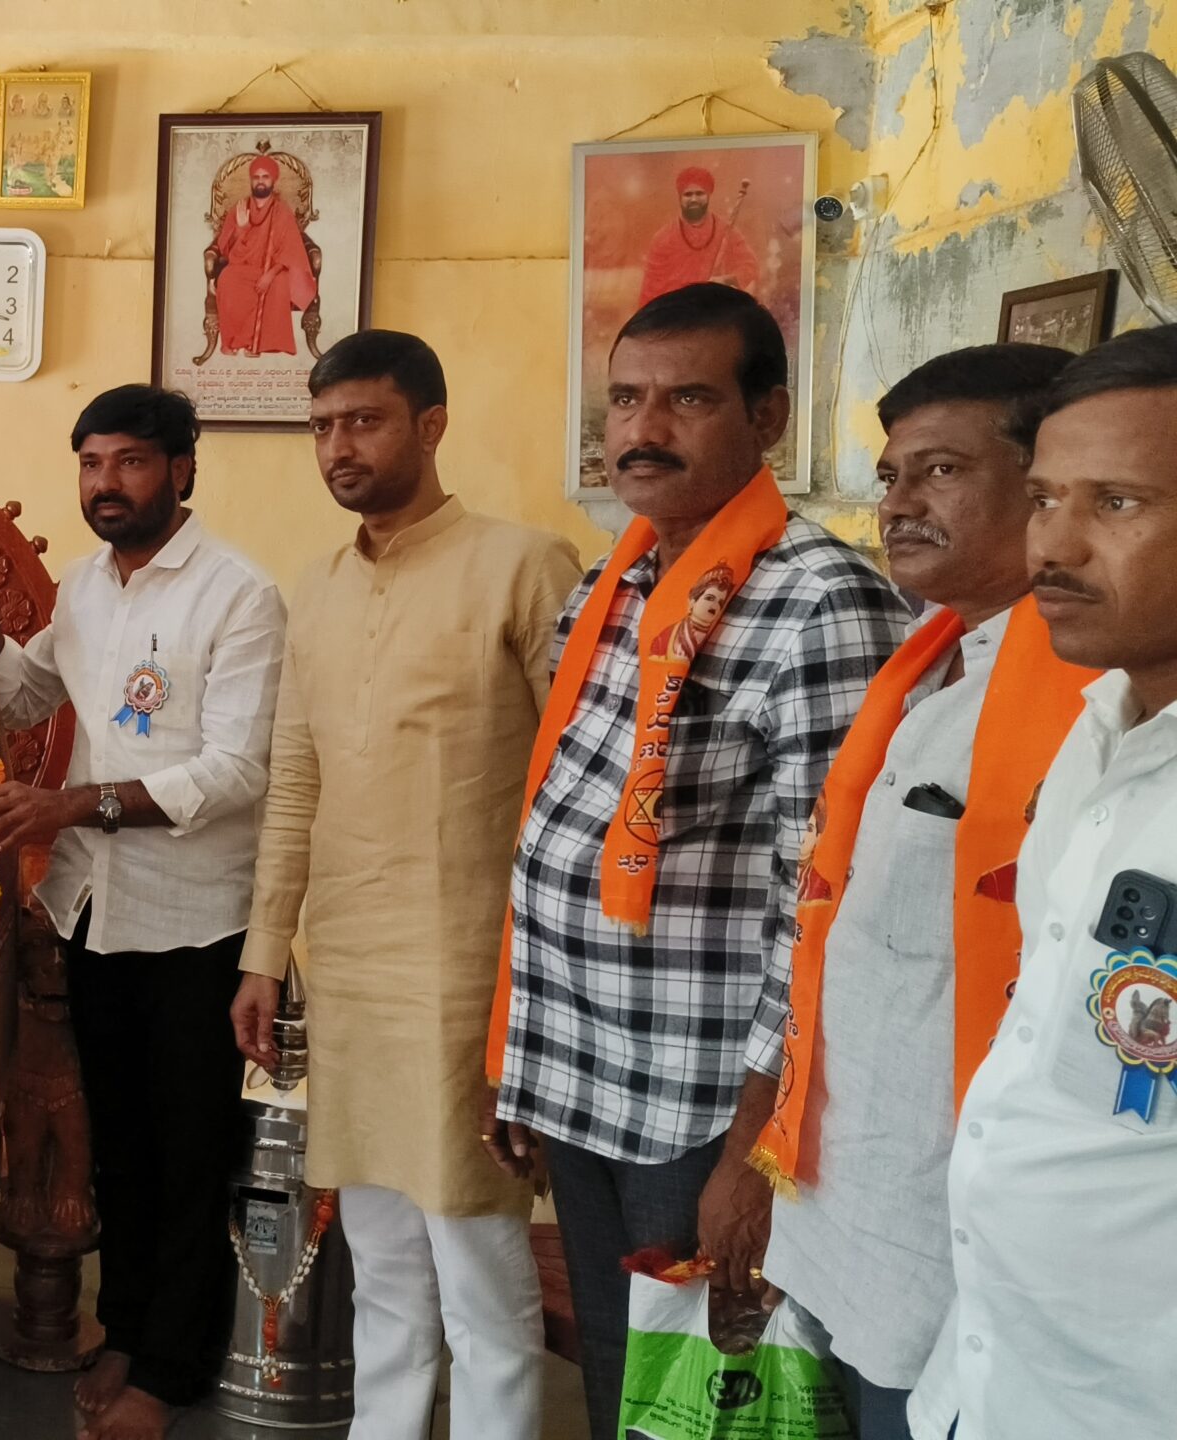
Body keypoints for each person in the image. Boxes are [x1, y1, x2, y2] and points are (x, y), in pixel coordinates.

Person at [482, 283, 907, 1440]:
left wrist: (755, 1155)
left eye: (687, 400)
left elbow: (818, 901)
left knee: (712, 1407)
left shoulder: (819, 604)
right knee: (625, 1384)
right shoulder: (611, 584)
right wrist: (521, 1060)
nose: (643, 429)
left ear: (767, 418)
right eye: (625, 400)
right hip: (587, 1076)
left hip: (703, 1103)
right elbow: (554, 830)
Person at [726, 343, 1083, 1440]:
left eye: (941, 471)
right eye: (891, 476)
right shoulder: (924, 665)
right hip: (844, 1201)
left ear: (1045, 488)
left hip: (960, 1235)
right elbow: (829, 932)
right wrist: (760, 1156)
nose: (899, 503)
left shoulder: (1086, 701)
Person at [229, 332, 577, 1440]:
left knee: (476, 1259)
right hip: (349, 969)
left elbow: (574, 785)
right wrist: (264, 954)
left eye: (364, 421)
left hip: (471, 971)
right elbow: (294, 780)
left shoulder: (524, 565)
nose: (339, 446)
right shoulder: (317, 585)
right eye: (322, 426)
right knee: (378, 1258)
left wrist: (544, 984)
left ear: (430, 426)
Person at [0, 384, 285, 1440]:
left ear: (182, 469)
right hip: (93, 912)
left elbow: (236, 770)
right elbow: (23, 692)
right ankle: (130, 1330)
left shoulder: (239, 595)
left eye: (131, 462)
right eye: (92, 464)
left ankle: (171, 1371)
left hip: (196, 921)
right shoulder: (83, 588)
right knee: (121, 1150)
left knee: (191, 1154)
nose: (107, 484)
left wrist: (72, 805)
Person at [906, 326, 1177, 1439]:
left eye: (1117, 503)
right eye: (1045, 499)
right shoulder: (1096, 733)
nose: (1053, 546)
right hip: (1000, 1370)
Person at [209, 154, 318, 358]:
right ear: (251, 180)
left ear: (273, 180)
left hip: (275, 270)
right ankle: (233, 341)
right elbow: (227, 251)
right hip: (245, 267)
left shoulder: (282, 212)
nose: (260, 181)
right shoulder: (239, 209)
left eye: (265, 177)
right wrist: (241, 229)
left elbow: (290, 251)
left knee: (279, 282)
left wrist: (269, 275)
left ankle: (256, 344)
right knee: (227, 278)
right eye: (256, 177)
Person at [637, 166, 759, 309]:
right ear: (680, 197)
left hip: (715, 313)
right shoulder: (663, 239)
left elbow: (750, 267)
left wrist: (725, 280)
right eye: (688, 194)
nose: (694, 199)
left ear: (708, 195)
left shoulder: (727, 231)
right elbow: (649, 293)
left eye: (700, 193)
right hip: (676, 315)